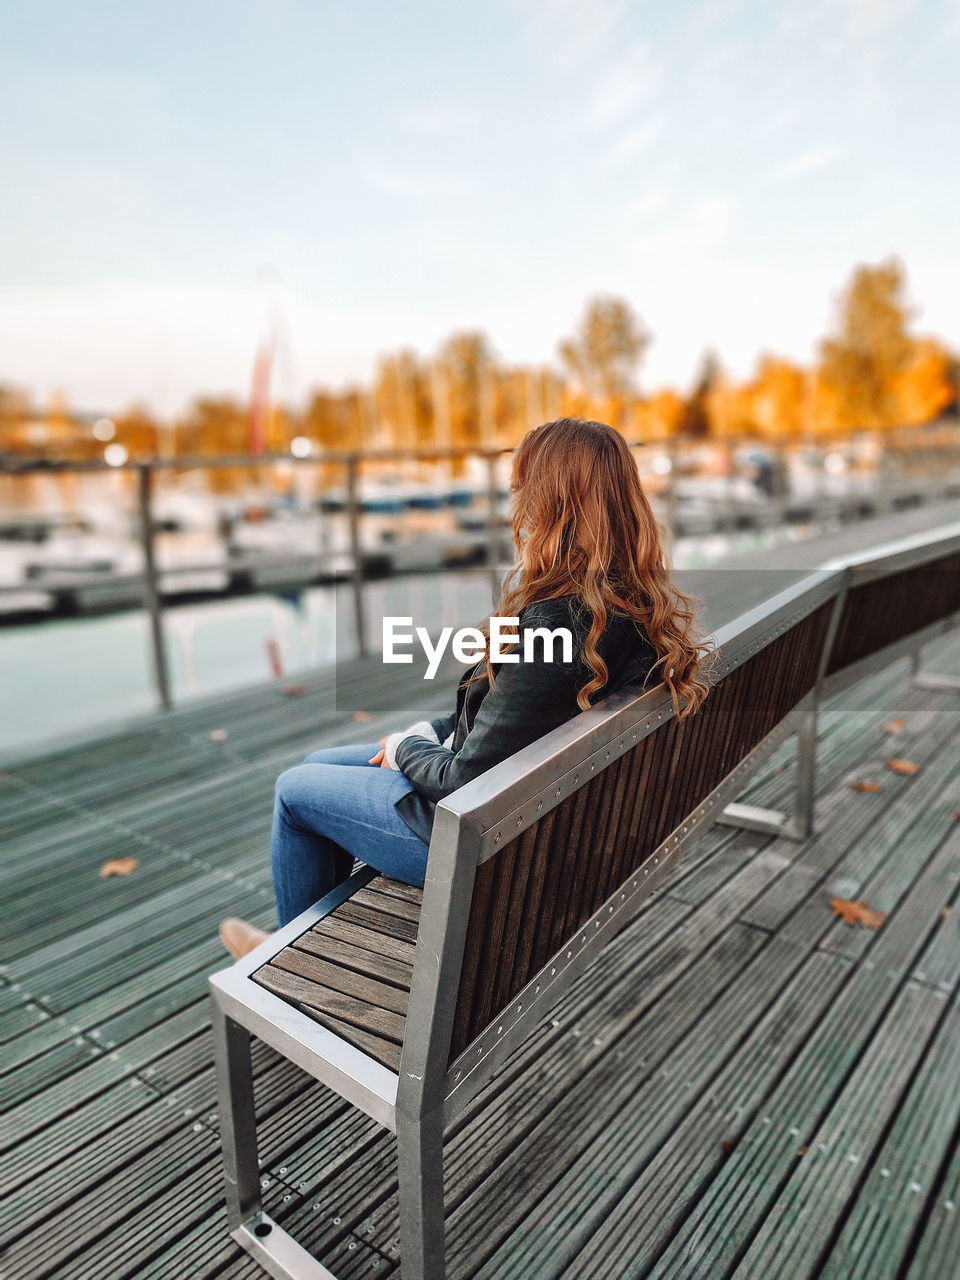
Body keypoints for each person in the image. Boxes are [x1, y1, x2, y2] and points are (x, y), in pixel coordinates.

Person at [219, 418, 712, 959]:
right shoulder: (628, 604)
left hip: (484, 842)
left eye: (523, 487)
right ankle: (310, 938)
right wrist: (426, 733)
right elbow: (510, 718)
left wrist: (407, 748)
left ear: (552, 505)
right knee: (322, 762)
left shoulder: (558, 625)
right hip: (540, 815)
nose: (514, 503)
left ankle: (289, 961)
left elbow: (464, 778)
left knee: (295, 789)